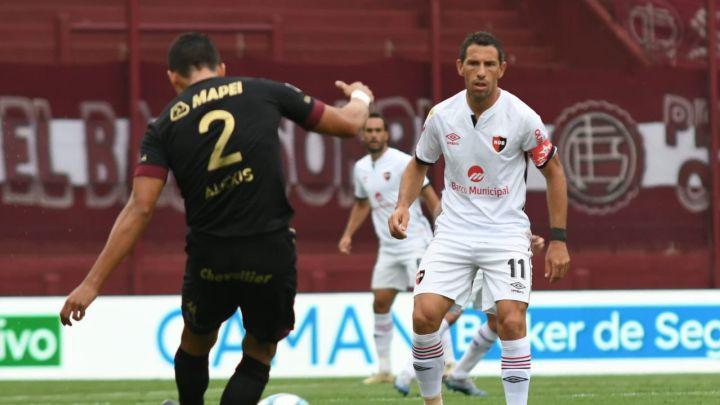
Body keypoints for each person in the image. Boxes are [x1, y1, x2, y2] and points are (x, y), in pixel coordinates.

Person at [59, 32, 373, 405]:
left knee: (196, 340)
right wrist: (360, 96)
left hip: (211, 254)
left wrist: (92, 284)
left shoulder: (164, 125)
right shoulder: (263, 90)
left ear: (173, 78)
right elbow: (349, 124)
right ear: (222, 69)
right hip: (269, 246)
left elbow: (140, 208)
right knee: (258, 349)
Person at [388, 31, 570, 405]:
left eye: (490, 64)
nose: (481, 72)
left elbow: (554, 172)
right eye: (473, 63)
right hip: (454, 232)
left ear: (502, 69)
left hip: (504, 234)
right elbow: (419, 164)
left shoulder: (522, 117)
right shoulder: (442, 115)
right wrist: (403, 205)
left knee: (511, 320)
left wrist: (558, 239)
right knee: (424, 316)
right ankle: (433, 402)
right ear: (460, 67)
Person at [338, 112, 454, 386]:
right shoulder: (361, 168)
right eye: (369, 130)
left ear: (387, 134)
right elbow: (362, 203)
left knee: (428, 303)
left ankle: (448, 361)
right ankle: (384, 368)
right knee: (380, 302)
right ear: (363, 135)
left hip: (415, 242)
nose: (374, 134)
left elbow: (427, 194)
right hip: (388, 248)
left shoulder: (403, 161)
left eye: (379, 130)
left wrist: (443, 224)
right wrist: (347, 235)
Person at [443, 235, 545, 397]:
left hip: (500, 252)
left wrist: (522, 236)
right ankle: (409, 372)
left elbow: (504, 213)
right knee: (444, 315)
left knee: (497, 321)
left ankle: (459, 374)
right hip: (468, 247)